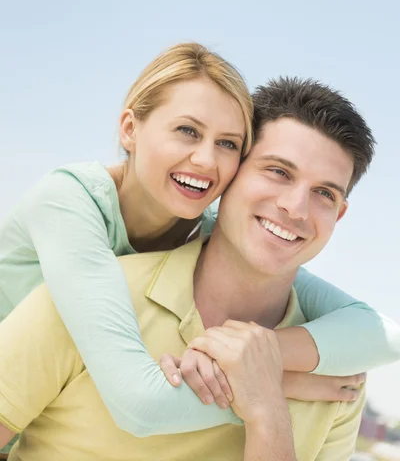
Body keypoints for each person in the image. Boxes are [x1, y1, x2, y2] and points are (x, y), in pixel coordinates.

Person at [0, 44, 398, 439]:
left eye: (227, 143)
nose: (206, 161)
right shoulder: (67, 204)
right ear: (129, 129)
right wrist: (274, 390)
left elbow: (381, 334)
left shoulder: (205, 226)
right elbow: (140, 405)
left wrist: (257, 357)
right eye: (187, 131)